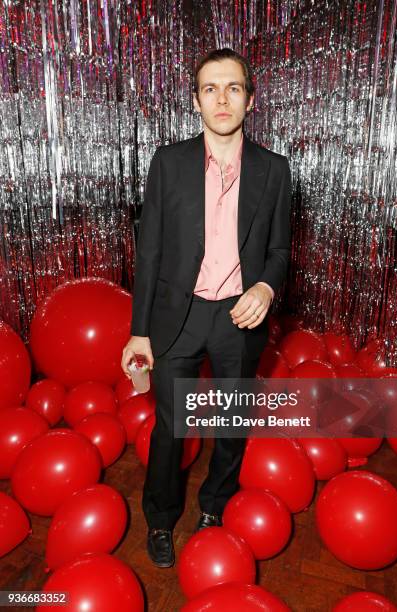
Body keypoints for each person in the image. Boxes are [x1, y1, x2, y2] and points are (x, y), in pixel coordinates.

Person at [121, 48, 292, 568]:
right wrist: (139, 330)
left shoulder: (276, 169)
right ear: (195, 100)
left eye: (233, 88)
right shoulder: (167, 162)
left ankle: (214, 508)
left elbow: (280, 250)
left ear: (250, 98)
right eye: (211, 88)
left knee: (232, 423)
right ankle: (161, 517)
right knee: (172, 427)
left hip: (239, 318)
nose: (222, 98)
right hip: (179, 315)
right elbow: (148, 251)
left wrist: (265, 287)